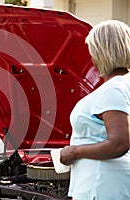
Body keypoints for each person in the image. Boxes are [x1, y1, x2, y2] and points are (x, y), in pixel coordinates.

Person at [60, 20, 130, 200]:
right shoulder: (123, 85)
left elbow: (119, 143)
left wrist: (75, 151)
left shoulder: (113, 90)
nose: (91, 58)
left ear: (102, 52)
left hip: (102, 185)